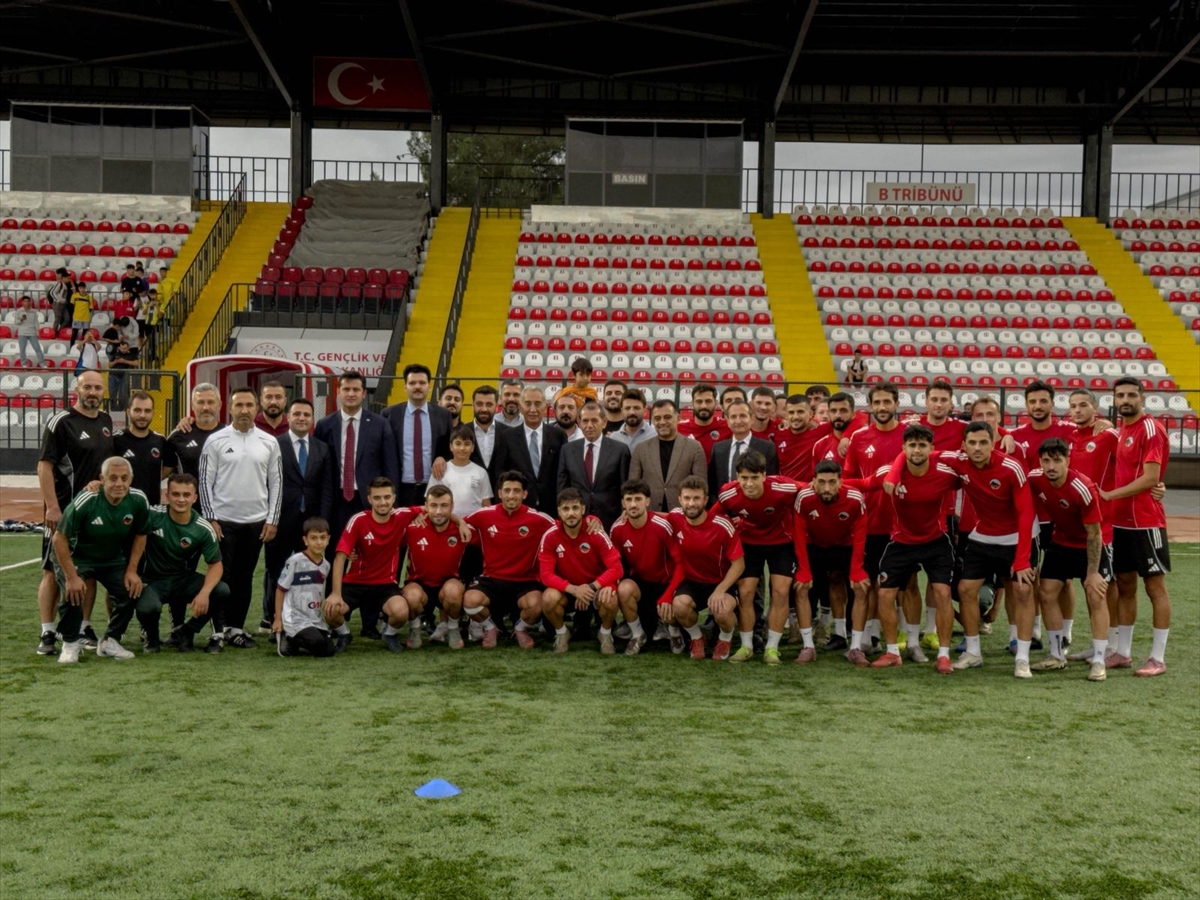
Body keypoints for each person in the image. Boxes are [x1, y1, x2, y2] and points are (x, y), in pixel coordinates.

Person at [934, 422, 1037, 676]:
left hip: (1017, 536)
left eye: (983, 443)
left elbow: (1026, 513)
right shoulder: (958, 460)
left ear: (993, 443)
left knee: (1022, 590)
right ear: (964, 445)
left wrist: (1022, 558)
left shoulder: (1011, 467)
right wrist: (893, 474)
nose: (978, 448)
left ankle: (1022, 658)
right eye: (972, 443)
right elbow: (919, 453)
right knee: (966, 589)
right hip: (984, 535)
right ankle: (973, 652)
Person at [35, 370, 115, 657]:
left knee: (88, 572)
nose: (92, 392)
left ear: (103, 391)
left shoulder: (106, 421)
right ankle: (47, 630)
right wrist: (53, 507)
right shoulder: (62, 422)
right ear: (77, 390)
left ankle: (83, 625)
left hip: (92, 512)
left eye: (97, 387)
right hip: (63, 511)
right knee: (51, 571)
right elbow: (44, 466)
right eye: (87, 387)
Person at [198, 387, 282, 650]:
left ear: (256, 408)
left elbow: (277, 483)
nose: (244, 410)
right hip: (223, 522)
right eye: (239, 405)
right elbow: (204, 482)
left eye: (249, 405)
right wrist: (211, 518)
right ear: (230, 409)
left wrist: (272, 519)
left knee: (245, 578)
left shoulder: (269, 441)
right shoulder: (216, 440)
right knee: (221, 578)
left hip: (256, 523)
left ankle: (236, 628)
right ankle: (217, 632)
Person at [872, 425, 961, 672]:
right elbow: (864, 483)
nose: (917, 449)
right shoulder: (890, 472)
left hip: (936, 541)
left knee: (943, 593)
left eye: (923, 445)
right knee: (884, 594)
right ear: (904, 448)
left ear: (932, 449)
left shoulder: (946, 472)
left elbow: (973, 475)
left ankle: (943, 655)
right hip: (901, 541)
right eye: (912, 445)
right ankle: (892, 652)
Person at [1101, 376, 1171, 677]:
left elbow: (1151, 478)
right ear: (1114, 399)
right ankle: (1123, 653)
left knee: (1155, 587)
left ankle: (1157, 657)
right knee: (1125, 585)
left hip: (1146, 522)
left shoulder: (1151, 429)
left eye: (1131, 394)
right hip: (1120, 523)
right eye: (1120, 395)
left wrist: (1109, 495)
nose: (1125, 400)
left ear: (1143, 397)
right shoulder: (1120, 431)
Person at [50, 457, 151, 664]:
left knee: (130, 590)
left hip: (111, 559)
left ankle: (110, 641)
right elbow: (59, 538)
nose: (119, 484)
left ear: (131, 479)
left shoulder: (139, 499)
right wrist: (71, 576)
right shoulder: (87, 500)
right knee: (74, 592)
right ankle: (70, 644)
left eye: (124, 478)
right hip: (77, 556)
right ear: (102, 479)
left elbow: (141, 534)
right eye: (112, 478)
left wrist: (132, 570)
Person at [1027, 438, 1111, 681]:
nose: (1051, 466)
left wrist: (1093, 573)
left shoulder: (1082, 488)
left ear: (1067, 461)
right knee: (1046, 592)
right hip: (1060, 544)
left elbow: (1095, 534)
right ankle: (1056, 655)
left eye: (1057, 460)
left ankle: (1098, 659)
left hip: (1088, 546)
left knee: (1096, 595)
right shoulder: (1035, 478)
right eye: (1046, 461)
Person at [714, 450, 799, 665]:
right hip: (749, 543)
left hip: (781, 542)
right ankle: (746, 646)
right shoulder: (728, 493)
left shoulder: (784, 487)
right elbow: (713, 517)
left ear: (764, 475)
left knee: (780, 592)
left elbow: (813, 490)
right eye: (744, 478)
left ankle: (772, 648)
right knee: (746, 592)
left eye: (754, 477)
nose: (749, 483)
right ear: (737, 477)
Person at [260, 397, 336, 634]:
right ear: (288, 417)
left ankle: (308, 620)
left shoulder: (322, 448)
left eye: (306, 415)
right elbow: (267, 484)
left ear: (312, 420)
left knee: (310, 575)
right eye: (297, 414)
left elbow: (326, 487)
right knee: (276, 573)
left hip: (310, 524)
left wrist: (322, 522)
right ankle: (274, 623)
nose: (301, 418)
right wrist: (270, 517)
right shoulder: (274, 444)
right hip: (281, 521)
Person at [842, 383, 907, 657]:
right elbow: (847, 481)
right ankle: (867, 638)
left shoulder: (909, 434)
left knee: (906, 585)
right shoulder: (858, 438)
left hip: (904, 524)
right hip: (869, 522)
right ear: (870, 406)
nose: (882, 407)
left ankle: (907, 637)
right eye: (877, 402)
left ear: (896, 404)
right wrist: (872, 483)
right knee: (866, 583)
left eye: (887, 402)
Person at [462, 470, 557, 649]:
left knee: (536, 605)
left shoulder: (538, 519)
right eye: (507, 490)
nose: (511, 495)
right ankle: (491, 628)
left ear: (524, 494)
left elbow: (566, 528)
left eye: (516, 491)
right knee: (470, 601)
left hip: (525, 582)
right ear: (499, 493)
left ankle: (520, 629)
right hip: (492, 580)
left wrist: (591, 519)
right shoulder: (484, 514)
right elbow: (458, 523)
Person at [326, 478, 422, 653]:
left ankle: (389, 634)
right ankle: (344, 634)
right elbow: (340, 557)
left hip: (385, 584)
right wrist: (335, 593)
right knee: (331, 610)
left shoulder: (402, 515)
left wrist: (459, 522)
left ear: (394, 498)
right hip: (356, 582)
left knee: (401, 612)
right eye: (377, 498)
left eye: (387, 497)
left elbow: (432, 508)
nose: (382, 502)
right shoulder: (359, 520)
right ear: (369, 499)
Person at [313, 370, 400, 559]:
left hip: (368, 501)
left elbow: (390, 466)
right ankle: (334, 589)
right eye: (346, 389)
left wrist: (391, 499)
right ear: (338, 392)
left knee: (369, 555)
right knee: (335, 554)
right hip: (336, 502)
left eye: (355, 389)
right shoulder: (324, 425)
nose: (351, 394)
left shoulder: (380, 424)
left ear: (364, 393)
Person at [139, 474, 229, 652]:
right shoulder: (152, 515)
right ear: (167, 495)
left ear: (195, 498)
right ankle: (152, 637)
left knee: (221, 590)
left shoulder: (203, 528)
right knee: (148, 608)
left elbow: (216, 565)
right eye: (176, 494)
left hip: (181, 579)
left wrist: (204, 592)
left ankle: (187, 631)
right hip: (153, 581)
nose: (181, 499)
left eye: (186, 495)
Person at [658, 476, 745, 661]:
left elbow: (739, 564)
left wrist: (720, 591)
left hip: (720, 582)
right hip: (691, 581)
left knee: (721, 610)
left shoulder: (722, 525)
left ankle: (725, 638)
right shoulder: (676, 516)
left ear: (705, 500)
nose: (691, 503)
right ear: (680, 499)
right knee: (679, 606)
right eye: (687, 498)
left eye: (696, 498)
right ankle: (697, 637)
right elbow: (655, 516)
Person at [792, 461, 870, 664]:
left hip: (845, 546)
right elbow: (799, 535)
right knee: (801, 587)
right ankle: (808, 646)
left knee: (860, 587)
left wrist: (857, 569)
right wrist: (803, 570)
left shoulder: (855, 498)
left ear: (840, 482)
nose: (826, 488)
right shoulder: (804, 497)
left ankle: (855, 648)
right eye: (822, 482)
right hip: (814, 546)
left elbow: (861, 535)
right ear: (814, 482)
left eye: (832, 482)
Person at [538, 488, 625, 655]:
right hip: (568, 591)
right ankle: (562, 633)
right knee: (549, 598)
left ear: (583, 509)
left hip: (593, 590)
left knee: (610, 596)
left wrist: (591, 587)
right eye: (566, 509)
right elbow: (546, 575)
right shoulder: (550, 536)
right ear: (559, 512)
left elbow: (617, 568)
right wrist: (574, 589)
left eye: (575, 508)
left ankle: (605, 634)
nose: (571, 513)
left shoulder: (595, 532)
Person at [395, 485, 470, 651]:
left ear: (452, 507)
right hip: (418, 583)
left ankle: (453, 629)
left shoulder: (462, 530)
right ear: (426, 506)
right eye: (433, 505)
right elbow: (389, 528)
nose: (438, 511)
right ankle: (414, 630)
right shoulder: (413, 528)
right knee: (412, 596)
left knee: (453, 592)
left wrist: (461, 521)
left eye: (444, 506)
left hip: (448, 583)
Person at [610, 479, 676, 655]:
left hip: (665, 584)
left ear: (647, 501)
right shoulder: (617, 529)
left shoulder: (663, 526)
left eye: (638, 499)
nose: (633, 504)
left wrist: (669, 595)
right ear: (623, 503)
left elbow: (680, 563)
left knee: (680, 606)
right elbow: (613, 565)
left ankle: (673, 630)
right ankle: (637, 634)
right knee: (623, 589)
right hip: (640, 585)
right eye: (629, 499)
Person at [489, 386, 568, 515]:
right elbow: (499, 473)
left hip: (553, 507)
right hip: (518, 508)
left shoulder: (558, 435)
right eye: (527, 404)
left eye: (537, 404)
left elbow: (564, 473)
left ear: (545, 407)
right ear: (520, 407)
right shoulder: (507, 437)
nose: (532, 409)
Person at [383, 363, 452, 507]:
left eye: (422, 382)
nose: (417, 387)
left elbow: (449, 448)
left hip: (433, 487)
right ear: (405, 387)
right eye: (412, 383)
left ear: (429, 386)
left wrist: (441, 456)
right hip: (400, 488)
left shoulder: (443, 415)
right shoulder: (390, 414)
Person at [557, 401, 631, 529]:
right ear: (579, 423)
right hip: (576, 520)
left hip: (610, 519)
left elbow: (625, 486)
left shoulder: (620, 450)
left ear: (604, 422)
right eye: (585, 421)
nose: (589, 425)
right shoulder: (567, 450)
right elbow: (562, 487)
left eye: (594, 421)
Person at [629, 398, 707, 513]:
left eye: (667, 417)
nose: (662, 422)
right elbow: (632, 486)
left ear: (678, 418)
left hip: (684, 516)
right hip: (649, 515)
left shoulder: (694, 447)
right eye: (657, 418)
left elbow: (702, 486)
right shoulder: (641, 448)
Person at [274, 518, 337, 658]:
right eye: (314, 538)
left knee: (329, 651)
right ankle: (288, 637)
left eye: (322, 538)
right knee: (316, 641)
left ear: (328, 539)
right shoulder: (295, 561)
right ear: (305, 540)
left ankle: (298, 641)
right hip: (294, 617)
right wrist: (278, 618)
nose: (319, 542)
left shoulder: (325, 565)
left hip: (314, 618)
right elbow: (280, 589)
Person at [707, 400, 778, 499]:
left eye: (743, 416)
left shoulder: (766, 447)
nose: (738, 421)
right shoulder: (718, 448)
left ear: (752, 419)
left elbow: (770, 482)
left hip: (754, 508)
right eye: (733, 417)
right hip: (724, 509)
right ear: (727, 421)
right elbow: (713, 485)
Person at [112, 390, 170, 502]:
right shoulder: (115, 440)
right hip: (121, 507)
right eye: (137, 410)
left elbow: (169, 466)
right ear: (128, 412)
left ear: (153, 413)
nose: (142, 415)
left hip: (152, 508)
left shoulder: (160, 440)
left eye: (147, 411)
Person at [429, 425, 493, 519]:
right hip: (446, 523)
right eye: (458, 443)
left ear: (472, 447)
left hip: (474, 524)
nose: (462, 448)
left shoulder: (481, 472)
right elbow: (430, 501)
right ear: (451, 446)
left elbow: (486, 504)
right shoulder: (440, 470)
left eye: (467, 444)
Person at [165, 383, 223, 480]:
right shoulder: (178, 436)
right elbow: (162, 472)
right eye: (200, 402)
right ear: (192, 405)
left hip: (221, 496)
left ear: (219, 405)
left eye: (211, 402)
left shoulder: (229, 434)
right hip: (190, 495)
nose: (206, 407)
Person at [773, 394, 823, 483]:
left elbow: (854, 419)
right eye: (791, 412)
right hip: (786, 490)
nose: (796, 417)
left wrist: (845, 437)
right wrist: (778, 421)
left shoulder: (820, 430)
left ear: (811, 413)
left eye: (800, 412)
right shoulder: (778, 433)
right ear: (786, 415)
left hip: (810, 490)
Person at [676, 384, 730, 463]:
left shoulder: (727, 426)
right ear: (692, 403)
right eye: (699, 401)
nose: (703, 406)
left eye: (708, 401)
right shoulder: (679, 428)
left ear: (716, 403)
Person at [812, 392, 867, 463]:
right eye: (833, 411)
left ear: (853, 414)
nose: (838, 415)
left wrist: (846, 436)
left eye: (843, 411)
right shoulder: (819, 445)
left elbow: (862, 416)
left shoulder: (865, 441)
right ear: (829, 413)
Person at [468, 384, 501, 469]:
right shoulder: (461, 432)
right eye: (479, 404)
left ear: (497, 407)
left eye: (489, 405)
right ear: (473, 405)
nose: (484, 409)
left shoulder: (508, 433)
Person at [107, 336, 139, 411]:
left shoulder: (132, 355)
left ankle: (121, 410)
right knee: (112, 395)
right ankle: (114, 411)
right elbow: (109, 365)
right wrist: (116, 361)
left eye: (125, 348)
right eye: (122, 348)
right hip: (113, 375)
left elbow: (136, 363)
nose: (123, 350)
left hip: (124, 375)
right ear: (119, 348)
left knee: (123, 394)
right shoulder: (115, 355)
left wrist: (124, 361)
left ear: (128, 348)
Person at [14, 297, 45, 366]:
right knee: (22, 350)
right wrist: (21, 319)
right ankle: (24, 364)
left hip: (32, 332)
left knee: (37, 349)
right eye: (25, 301)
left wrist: (37, 332)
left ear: (30, 302)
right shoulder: (19, 311)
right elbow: (16, 322)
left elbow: (36, 322)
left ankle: (43, 364)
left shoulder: (34, 311)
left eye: (28, 301)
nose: (26, 303)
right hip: (22, 332)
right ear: (22, 302)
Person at [49, 268, 73, 334]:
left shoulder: (65, 285)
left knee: (67, 318)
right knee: (58, 318)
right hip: (58, 304)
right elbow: (52, 292)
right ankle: (54, 332)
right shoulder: (60, 284)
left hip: (63, 304)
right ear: (63, 278)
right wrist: (57, 300)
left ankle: (59, 331)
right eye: (67, 278)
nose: (68, 279)